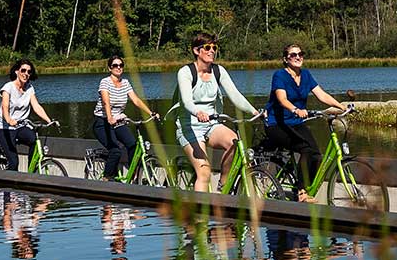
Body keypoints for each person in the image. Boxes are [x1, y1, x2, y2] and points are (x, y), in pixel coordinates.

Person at [263, 44, 351, 200]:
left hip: (295, 123)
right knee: (305, 148)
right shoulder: (279, 76)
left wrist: (341, 106)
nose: (298, 57)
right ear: (285, 59)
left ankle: (306, 186)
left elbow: (321, 95)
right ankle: (301, 191)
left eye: (300, 54)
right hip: (277, 124)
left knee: (316, 155)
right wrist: (296, 110)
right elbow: (282, 99)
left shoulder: (306, 75)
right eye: (293, 55)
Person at [175, 31, 256, 192]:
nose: (212, 50)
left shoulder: (218, 71)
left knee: (234, 142)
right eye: (207, 47)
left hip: (212, 124)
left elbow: (235, 95)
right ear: (196, 51)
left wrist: (254, 112)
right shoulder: (185, 72)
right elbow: (186, 101)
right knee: (204, 173)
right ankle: (200, 215)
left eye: (214, 47)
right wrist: (197, 112)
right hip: (189, 126)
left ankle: (223, 186)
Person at [91, 55, 156, 179]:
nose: (118, 68)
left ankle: (132, 175)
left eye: (121, 65)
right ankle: (106, 178)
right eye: (115, 65)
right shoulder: (105, 82)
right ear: (110, 68)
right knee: (115, 150)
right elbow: (106, 102)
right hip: (103, 122)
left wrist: (150, 112)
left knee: (132, 145)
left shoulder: (125, 83)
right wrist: (109, 117)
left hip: (118, 121)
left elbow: (136, 100)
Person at [0, 60, 54, 169]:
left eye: (29, 72)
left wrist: (49, 121)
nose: (26, 74)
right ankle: (9, 185)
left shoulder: (29, 88)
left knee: (34, 141)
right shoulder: (8, 87)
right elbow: (4, 107)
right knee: (13, 162)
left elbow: (36, 106)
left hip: (20, 127)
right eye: (23, 70)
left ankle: (32, 171)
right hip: (4, 128)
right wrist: (9, 120)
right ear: (17, 71)